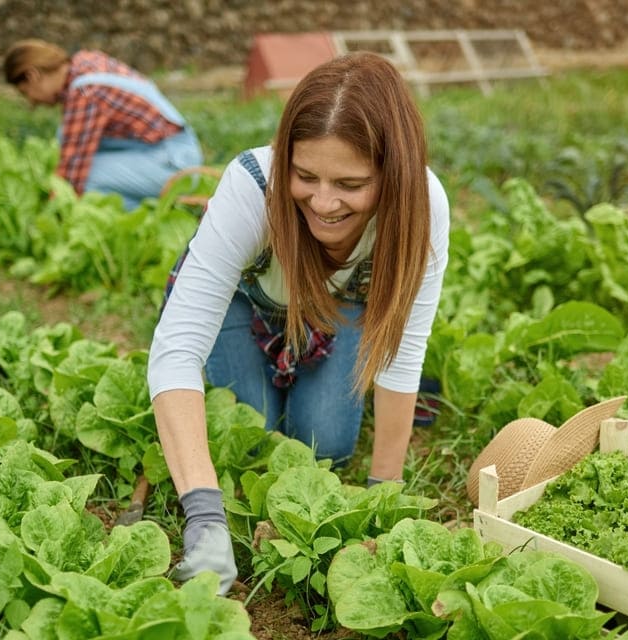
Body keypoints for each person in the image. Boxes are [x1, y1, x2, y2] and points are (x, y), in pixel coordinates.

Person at [147, 52, 450, 595]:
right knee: (250, 436)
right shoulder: (252, 186)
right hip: (247, 304)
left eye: (351, 184)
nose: (324, 202)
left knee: (325, 446)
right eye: (305, 176)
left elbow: (403, 350)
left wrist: (386, 496)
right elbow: (177, 347)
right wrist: (204, 515)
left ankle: (303, 366)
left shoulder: (423, 206)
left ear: (392, 174)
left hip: (340, 309)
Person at [3, 39, 203, 209]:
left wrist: (46, 212)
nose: (31, 103)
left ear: (33, 75)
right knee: (68, 147)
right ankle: (154, 208)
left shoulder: (85, 90)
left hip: (174, 165)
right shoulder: (83, 63)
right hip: (170, 153)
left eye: (25, 92)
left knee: (84, 180)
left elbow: (72, 177)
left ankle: (155, 215)